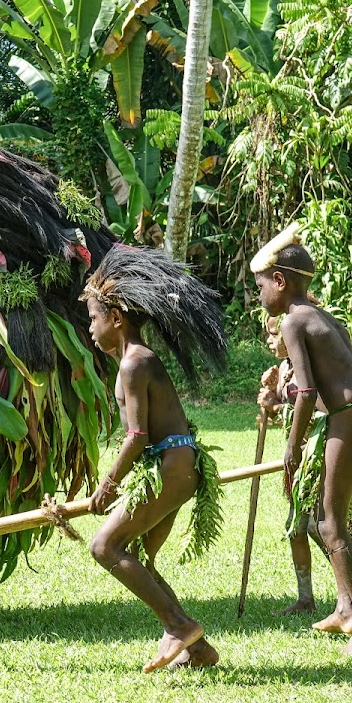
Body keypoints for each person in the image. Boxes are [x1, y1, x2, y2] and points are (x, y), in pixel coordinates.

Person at [253, 224, 352, 654]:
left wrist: (292, 444)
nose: (259, 294)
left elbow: (306, 391)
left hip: (346, 421)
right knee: (326, 517)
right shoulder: (323, 316)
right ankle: (347, 610)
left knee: (329, 524)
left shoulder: (292, 321)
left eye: (261, 285)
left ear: (281, 281)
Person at [81, 245, 228, 672]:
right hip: (173, 466)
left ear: (116, 318)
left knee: (104, 546)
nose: (90, 327)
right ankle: (198, 649)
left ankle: (178, 627)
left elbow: (137, 436)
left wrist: (107, 484)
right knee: (136, 556)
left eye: (93, 317)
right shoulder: (132, 360)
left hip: (172, 465)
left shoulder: (134, 363)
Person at [258, 316, 319, 615]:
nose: (269, 341)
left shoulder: (312, 364)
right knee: (296, 527)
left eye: (273, 335)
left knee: (321, 528)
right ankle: (305, 598)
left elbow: (316, 409)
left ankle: (351, 597)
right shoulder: (284, 368)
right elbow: (278, 411)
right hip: (297, 460)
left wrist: (277, 407)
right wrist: (270, 397)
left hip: (320, 454)